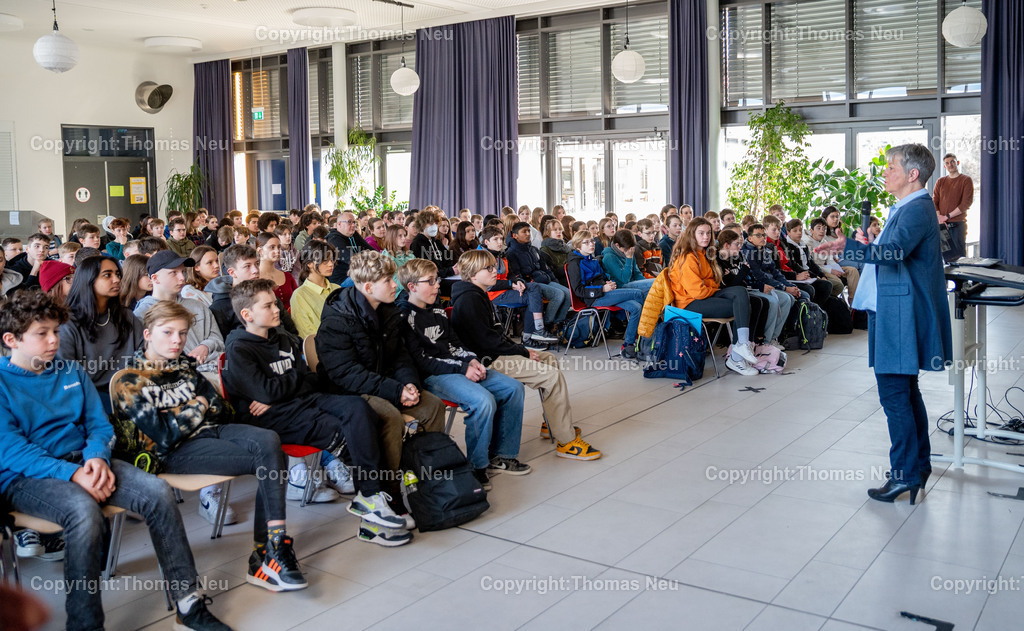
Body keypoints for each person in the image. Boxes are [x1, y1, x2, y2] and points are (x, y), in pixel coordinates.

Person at [0, 290, 233, 631]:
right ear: (11, 340)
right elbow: (11, 450)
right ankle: (85, 624)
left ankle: (188, 604)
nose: (53, 340)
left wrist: (96, 458)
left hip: (86, 461)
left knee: (158, 493)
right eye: (42, 333)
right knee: (83, 511)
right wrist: (73, 474)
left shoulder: (71, 371)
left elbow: (98, 425)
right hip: (26, 476)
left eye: (56, 331)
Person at [113, 301, 307, 591]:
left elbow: (220, 409)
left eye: (182, 333)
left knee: (270, 442)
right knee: (268, 457)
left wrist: (184, 412)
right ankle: (266, 556)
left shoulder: (184, 366)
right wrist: (198, 405)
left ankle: (271, 546)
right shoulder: (131, 381)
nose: (177, 340)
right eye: (168, 332)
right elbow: (165, 436)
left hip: (212, 432)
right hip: (174, 453)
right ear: (148, 334)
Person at [223, 279, 413, 541]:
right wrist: (284, 387)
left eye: (276, 303)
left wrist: (279, 389)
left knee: (359, 408)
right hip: (274, 418)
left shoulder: (284, 339)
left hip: (303, 401)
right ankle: (372, 511)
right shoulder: (238, 348)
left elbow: (313, 378)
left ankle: (370, 498)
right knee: (350, 432)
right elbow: (269, 392)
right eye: (268, 306)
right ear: (247, 314)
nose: (277, 309)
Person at [817, 144, 952, 504]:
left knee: (894, 394)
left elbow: (893, 254)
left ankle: (904, 473)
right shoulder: (909, 206)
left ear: (912, 174)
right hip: (894, 309)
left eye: (892, 167)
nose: (886, 173)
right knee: (905, 391)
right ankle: (917, 467)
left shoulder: (916, 208)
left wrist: (848, 248)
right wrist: (868, 244)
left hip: (899, 314)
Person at [315, 251, 447, 506]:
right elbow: (345, 374)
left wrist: (408, 383)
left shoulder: (388, 310)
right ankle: (388, 491)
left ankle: (427, 479)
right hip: (346, 392)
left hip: (381, 382)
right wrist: (395, 391)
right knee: (390, 417)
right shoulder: (337, 320)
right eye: (387, 280)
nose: (395, 285)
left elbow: (400, 355)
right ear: (367, 287)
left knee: (432, 406)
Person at [451, 250, 602, 461]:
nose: (495, 271)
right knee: (551, 377)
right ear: (473, 274)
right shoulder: (469, 300)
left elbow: (495, 336)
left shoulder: (478, 294)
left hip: (495, 353)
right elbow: (487, 342)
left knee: (550, 360)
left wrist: (522, 350)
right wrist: (523, 351)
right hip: (487, 361)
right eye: (489, 268)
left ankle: (552, 423)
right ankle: (566, 441)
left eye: (494, 266)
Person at [397, 259, 529, 490]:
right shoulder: (404, 316)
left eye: (437, 280)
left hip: (458, 366)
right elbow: (421, 360)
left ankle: (502, 455)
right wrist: (462, 368)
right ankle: (477, 466)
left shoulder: (437, 308)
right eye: (431, 281)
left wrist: (472, 360)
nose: (438, 285)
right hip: (433, 375)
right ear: (412, 286)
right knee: (482, 401)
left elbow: (454, 343)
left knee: (513, 388)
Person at [668, 218, 760, 376]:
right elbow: (698, 292)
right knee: (740, 307)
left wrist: (707, 284)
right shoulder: (687, 257)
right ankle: (737, 357)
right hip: (689, 303)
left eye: (708, 233)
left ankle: (741, 346)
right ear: (692, 234)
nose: (706, 237)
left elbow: (714, 281)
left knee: (740, 292)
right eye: (701, 233)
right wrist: (709, 285)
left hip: (704, 295)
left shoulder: (703, 253)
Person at [59, 256, 146, 413]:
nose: (117, 280)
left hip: (132, 390)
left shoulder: (126, 316)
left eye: (117, 274)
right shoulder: (67, 323)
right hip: (90, 399)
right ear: (88, 280)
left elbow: (145, 355)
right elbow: (67, 377)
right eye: (107, 275)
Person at [132, 249, 224, 373]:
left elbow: (217, 338)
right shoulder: (142, 314)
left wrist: (205, 346)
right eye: (173, 273)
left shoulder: (197, 306)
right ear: (155, 278)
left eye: (182, 272)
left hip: (215, 369)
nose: (182, 278)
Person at [565, 230, 645, 359]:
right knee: (638, 293)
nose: (591, 244)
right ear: (578, 246)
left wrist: (608, 282)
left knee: (636, 307)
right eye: (586, 242)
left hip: (604, 293)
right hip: (593, 298)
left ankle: (628, 344)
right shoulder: (575, 264)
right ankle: (644, 337)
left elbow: (600, 278)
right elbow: (579, 290)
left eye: (592, 241)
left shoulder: (592, 259)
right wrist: (602, 289)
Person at [208, 244, 298, 337]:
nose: (256, 270)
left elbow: (292, 332)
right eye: (247, 266)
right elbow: (225, 342)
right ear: (232, 272)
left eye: (257, 264)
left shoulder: (268, 294)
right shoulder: (220, 307)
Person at [740, 224, 799, 347]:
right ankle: (766, 341)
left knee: (791, 298)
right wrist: (784, 288)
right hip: (758, 286)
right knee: (781, 299)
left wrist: (789, 285)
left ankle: (773, 338)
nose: (763, 238)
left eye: (764, 235)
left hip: (771, 284)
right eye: (758, 235)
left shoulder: (764, 250)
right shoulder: (748, 252)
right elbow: (759, 276)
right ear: (750, 238)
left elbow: (775, 272)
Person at [505, 222, 572, 328]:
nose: (528, 234)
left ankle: (558, 324)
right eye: (524, 231)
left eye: (529, 231)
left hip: (544, 279)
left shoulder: (533, 249)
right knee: (558, 295)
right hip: (531, 284)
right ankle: (547, 324)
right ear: (515, 235)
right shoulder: (511, 253)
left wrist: (555, 282)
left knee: (568, 294)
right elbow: (517, 275)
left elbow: (546, 269)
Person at [290, 240, 340, 339]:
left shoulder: (337, 289)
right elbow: (308, 333)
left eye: (332, 260)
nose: (331, 264)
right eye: (325, 261)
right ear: (309, 263)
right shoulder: (300, 295)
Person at [932, 152, 973, 260]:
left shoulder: (966, 180)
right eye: (947, 163)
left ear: (957, 163)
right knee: (944, 258)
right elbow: (934, 201)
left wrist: (947, 217)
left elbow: (966, 203)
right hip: (942, 226)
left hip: (957, 226)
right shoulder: (940, 181)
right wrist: (940, 218)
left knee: (959, 258)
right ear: (944, 166)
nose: (950, 165)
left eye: (952, 162)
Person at [600, 229, 655, 297]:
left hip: (633, 283)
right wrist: (629, 258)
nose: (629, 250)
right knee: (656, 282)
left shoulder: (629, 250)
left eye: (631, 248)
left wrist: (644, 283)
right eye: (626, 249)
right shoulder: (609, 257)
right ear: (617, 245)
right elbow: (624, 279)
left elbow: (637, 273)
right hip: (621, 286)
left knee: (653, 291)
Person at [325, 211, 372, 287]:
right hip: (342, 280)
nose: (353, 225)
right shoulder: (334, 239)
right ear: (339, 224)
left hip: (356, 273)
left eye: (354, 222)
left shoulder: (353, 234)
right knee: (373, 278)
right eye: (349, 222)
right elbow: (352, 259)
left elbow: (369, 248)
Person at [256, 232, 298, 311]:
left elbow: (298, 301)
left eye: (278, 247)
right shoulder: (254, 279)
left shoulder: (288, 276)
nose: (277, 251)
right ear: (260, 251)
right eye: (272, 247)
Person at [381, 224, 417, 296]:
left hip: (413, 286)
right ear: (392, 237)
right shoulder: (387, 257)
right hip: (399, 293)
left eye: (404, 235)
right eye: (400, 236)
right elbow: (392, 284)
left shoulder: (409, 254)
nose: (404, 238)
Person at [539, 219, 572, 287]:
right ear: (548, 232)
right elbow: (551, 272)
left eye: (560, 229)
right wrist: (568, 267)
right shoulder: (545, 250)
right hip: (559, 282)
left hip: (571, 277)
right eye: (555, 230)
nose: (558, 232)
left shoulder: (565, 247)